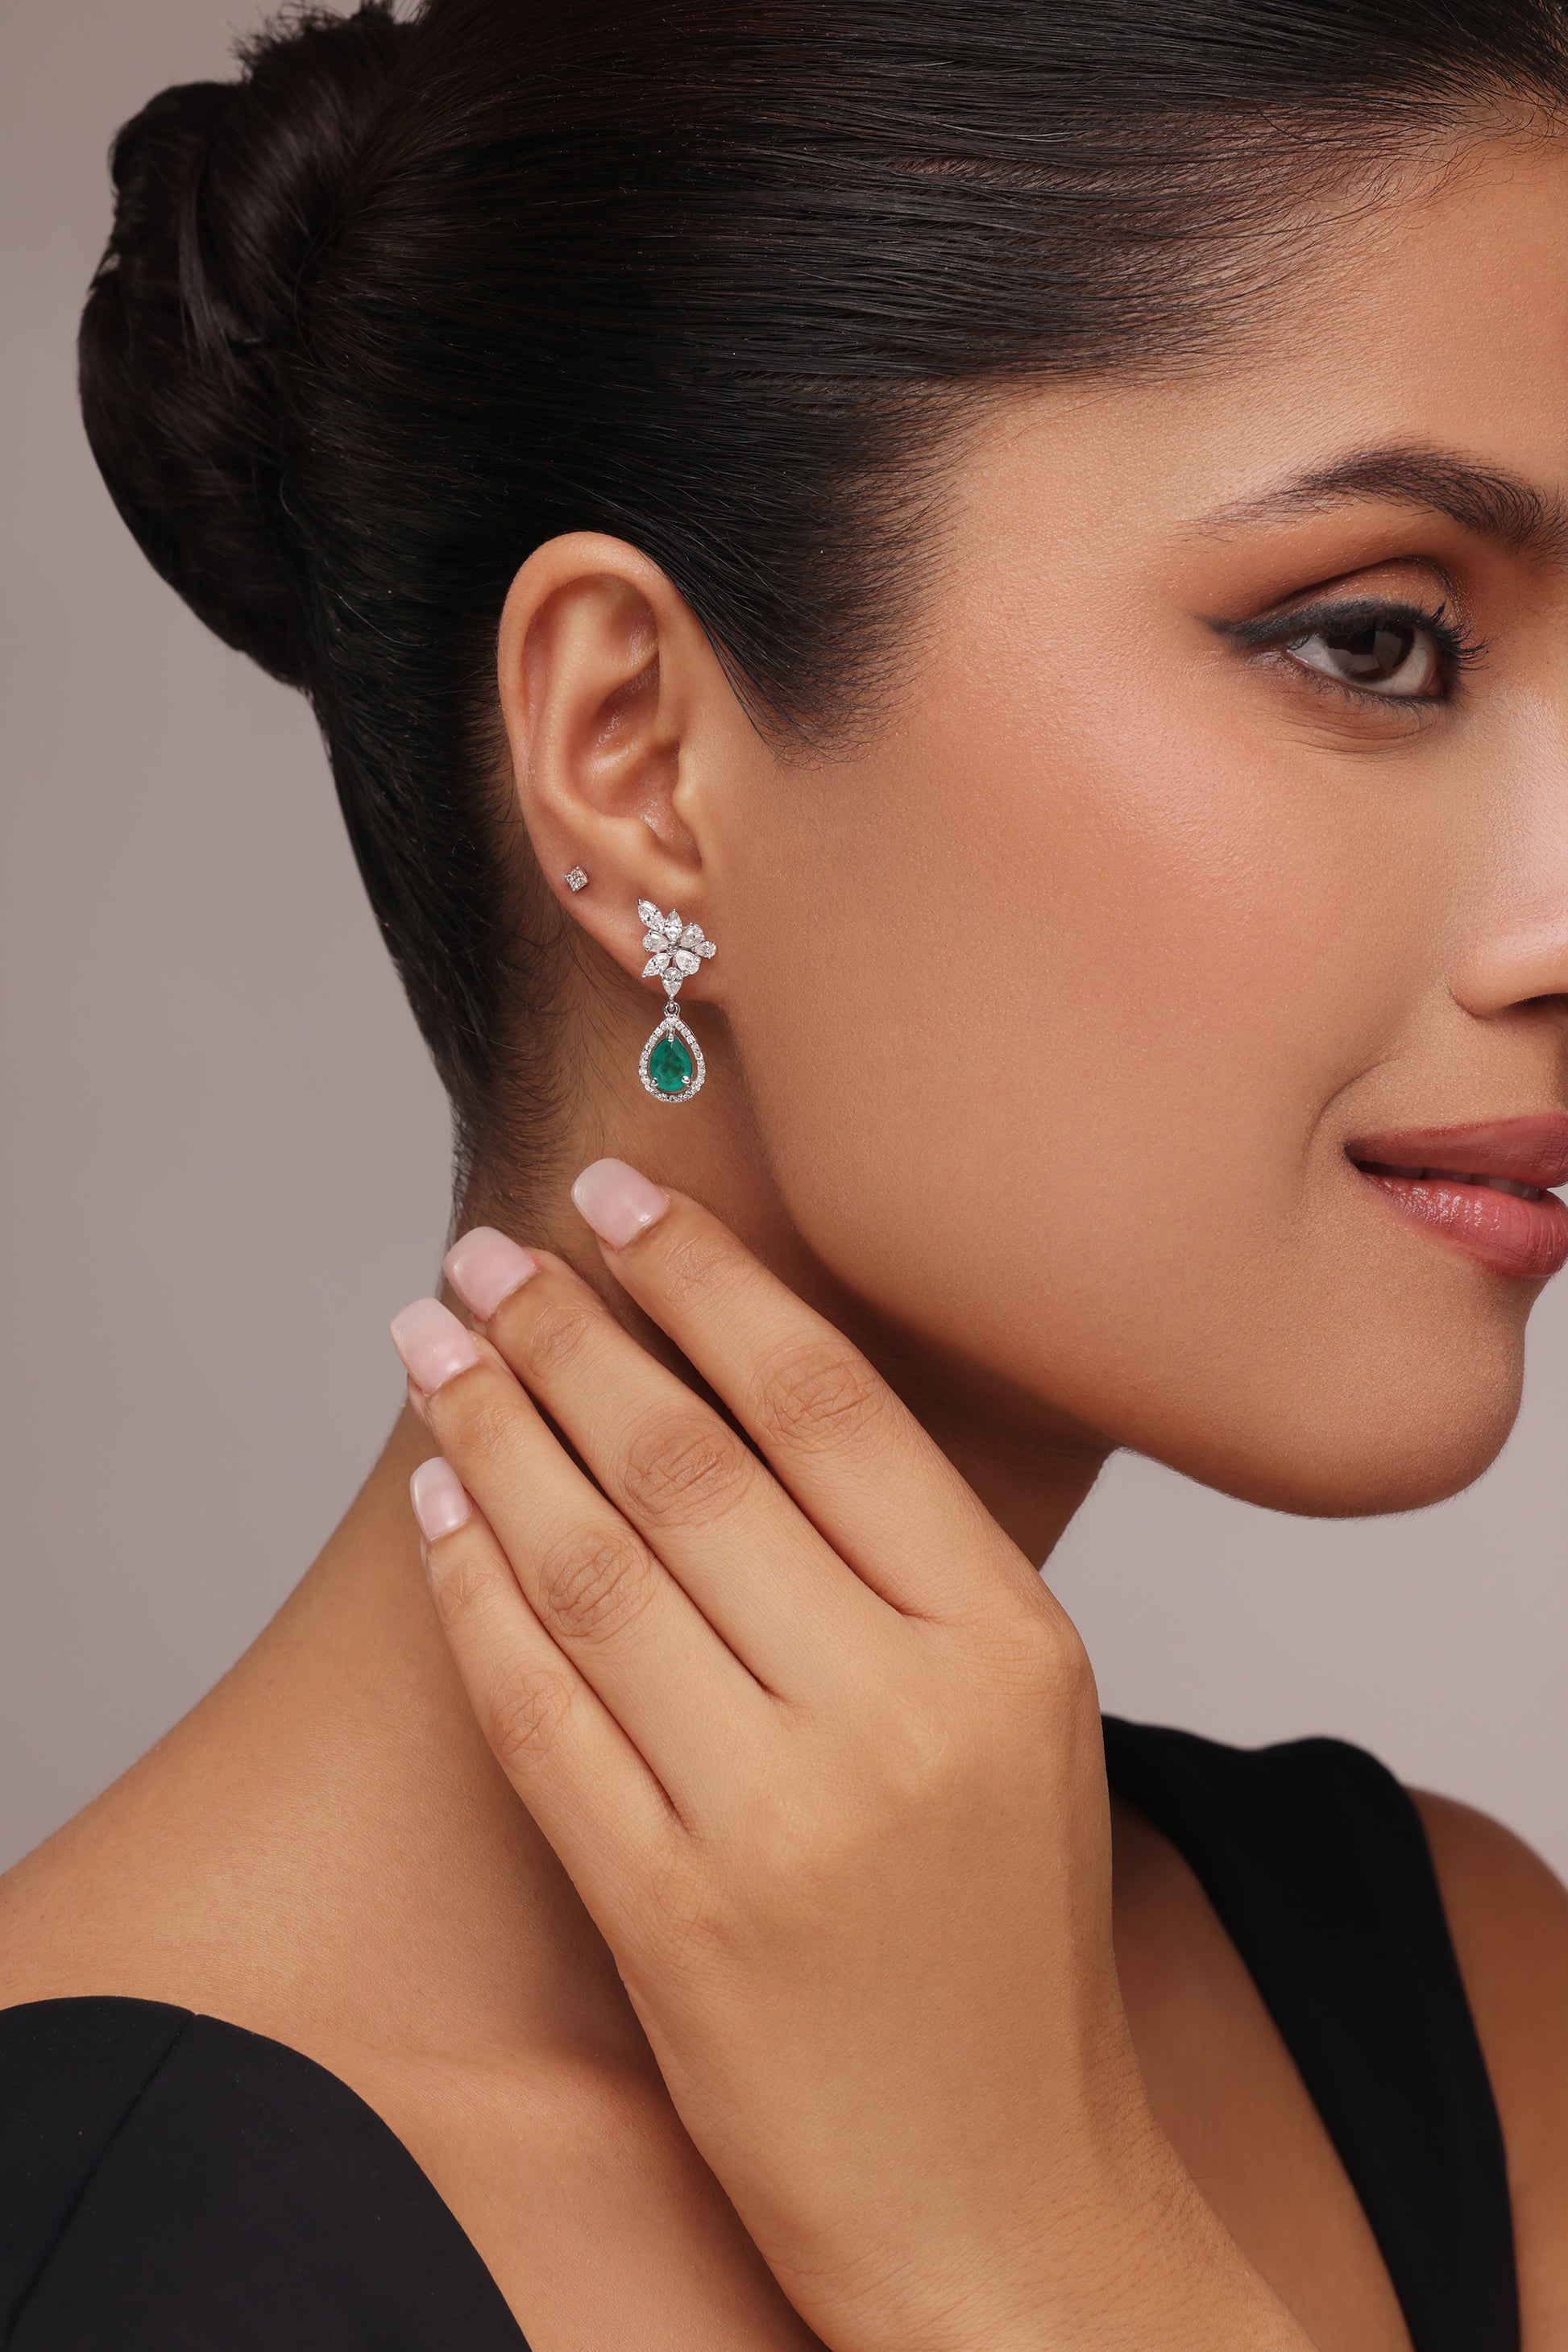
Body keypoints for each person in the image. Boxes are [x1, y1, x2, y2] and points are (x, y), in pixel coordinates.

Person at [2, 0, 1566, 2343]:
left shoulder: (1455, 1989)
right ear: (632, 754)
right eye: (1374, 640)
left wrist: (1035, 2244)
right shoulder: (103, 2251)